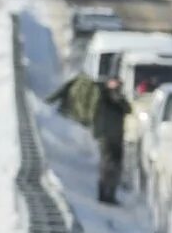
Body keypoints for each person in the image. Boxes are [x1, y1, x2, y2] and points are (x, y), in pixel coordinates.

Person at [47, 73, 133, 203]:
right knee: (107, 165)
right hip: (106, 135)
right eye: (114, 83)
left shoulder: (118, 97)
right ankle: (104, 194)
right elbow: (99, 111)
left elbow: (128, 109)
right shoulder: (101, 95)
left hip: (117, 135)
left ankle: (111, 194)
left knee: (116, 165)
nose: (116, 86)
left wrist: (119, 97)